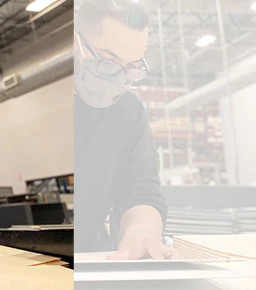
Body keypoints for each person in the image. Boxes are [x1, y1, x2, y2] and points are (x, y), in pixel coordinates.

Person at [74, 0, 174, 259]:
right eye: (108, 60)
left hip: (89, 257)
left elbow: (141, 190)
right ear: (76, 42)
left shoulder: (128, 111)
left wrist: (141, 232)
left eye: (131, 67)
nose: (119, 78)